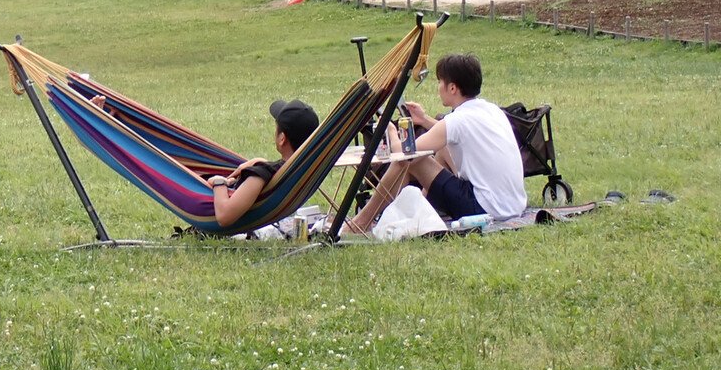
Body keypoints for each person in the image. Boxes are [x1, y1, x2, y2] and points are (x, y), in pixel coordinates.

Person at [345, 53, 526, 234]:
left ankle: (362, 221)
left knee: (410, 161)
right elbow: (454, 134)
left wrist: (390, 130)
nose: (438, 87)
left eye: (440, 82)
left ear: (452, 88)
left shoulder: (457, 120)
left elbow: (403, 151)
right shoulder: (491, 110)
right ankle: (422, 207)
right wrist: (423, 120)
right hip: (513, 205)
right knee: (442, 149)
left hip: (483, 210)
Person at [206, 98, 320, 227]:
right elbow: (281, 170)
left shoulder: (260, 175)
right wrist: (260, 162)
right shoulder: (307, 168)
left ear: (282, 138)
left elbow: (224, 216)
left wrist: (219, 182)